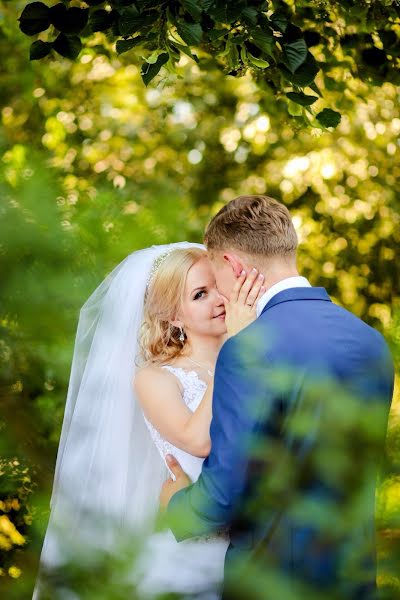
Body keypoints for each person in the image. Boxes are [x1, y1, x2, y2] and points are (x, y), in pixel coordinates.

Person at [161, 195, 395, 599]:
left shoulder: (250, 348)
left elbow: (224, 494)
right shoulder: (371, 342)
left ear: (233, 265)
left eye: (216, 278)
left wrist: (175, 506)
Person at [32, 241, 264, 600]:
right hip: (195, 551)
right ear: (173, 315)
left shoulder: (257, 360)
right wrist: (234, 350)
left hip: (260, 543)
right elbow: (199, 439)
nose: (219, 300)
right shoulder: (155, 378)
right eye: (200, 294)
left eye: (218, 286)